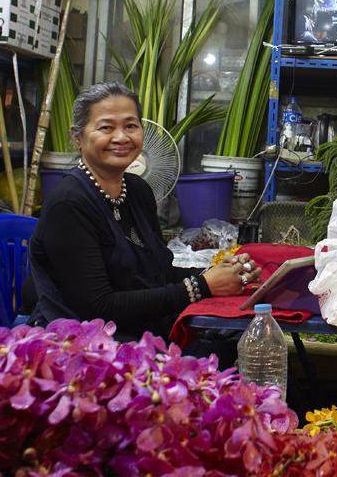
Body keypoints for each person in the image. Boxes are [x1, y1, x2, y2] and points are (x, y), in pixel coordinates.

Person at [26, 82, 262, 348]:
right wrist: (201, 287)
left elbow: (157, 272)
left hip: (139, 325)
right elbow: (99, 306)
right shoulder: (69, 204)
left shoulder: (137, 190)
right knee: (217, 357)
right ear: (77, 137)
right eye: (106, 127)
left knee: (243, 338)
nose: (121, 137)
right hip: (84, 340)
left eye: (130, 126)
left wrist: (220, 272)